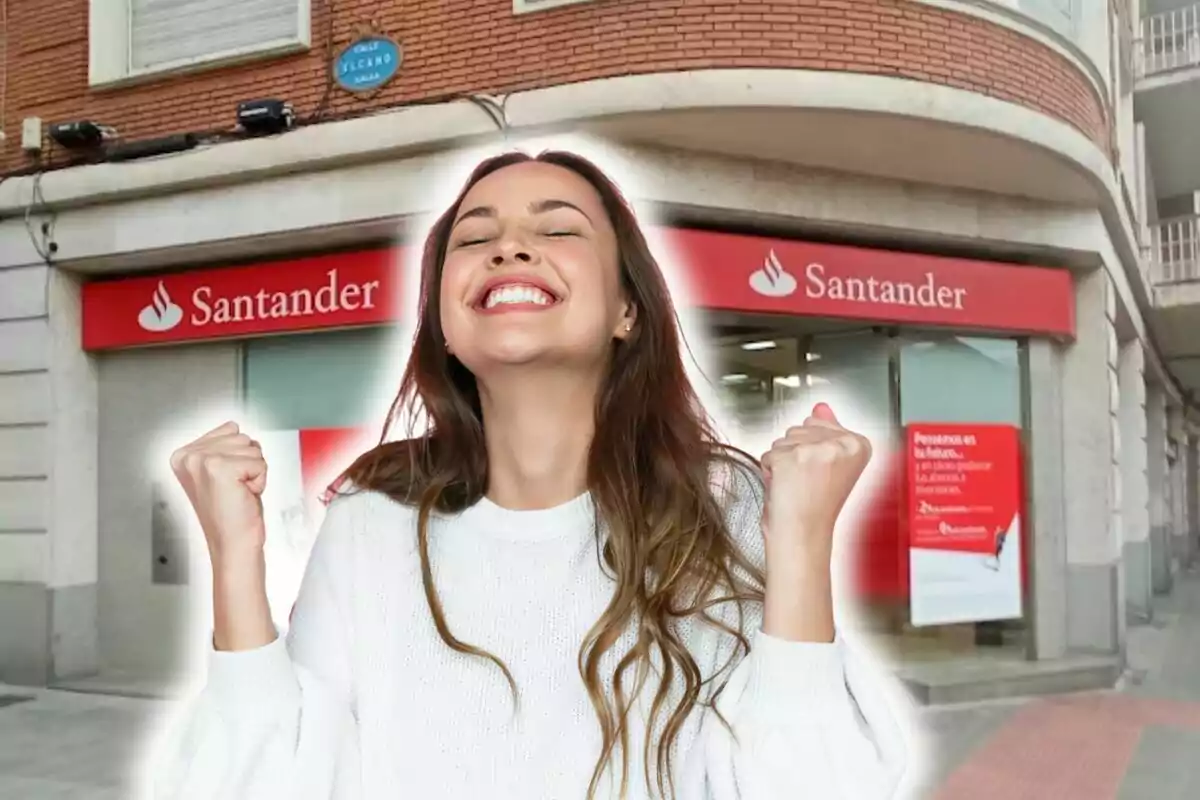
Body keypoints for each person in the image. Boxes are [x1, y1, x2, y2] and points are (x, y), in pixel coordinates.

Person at [152, 149, 910, 799]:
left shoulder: (720, 505)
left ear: (627, 310)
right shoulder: (371, 518)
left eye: (556, 229)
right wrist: (234, 558)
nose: (509, 249)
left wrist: (804, 543)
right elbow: (274, 784)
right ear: (445, 323)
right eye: (474, 238)